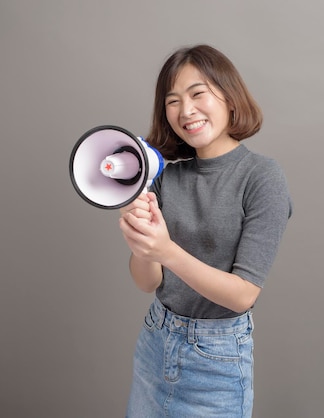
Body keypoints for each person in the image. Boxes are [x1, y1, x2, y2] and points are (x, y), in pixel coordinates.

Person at [118, 44, 292, 418]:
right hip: (155, 342)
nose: (186, 110)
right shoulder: (165, 178)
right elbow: (146, 282)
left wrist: (166, 251)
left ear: (229, 98)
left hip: (217, 362)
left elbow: (243, 295)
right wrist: (142, 243)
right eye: (173, 100)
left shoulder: (262, 177)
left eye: (198, 94)